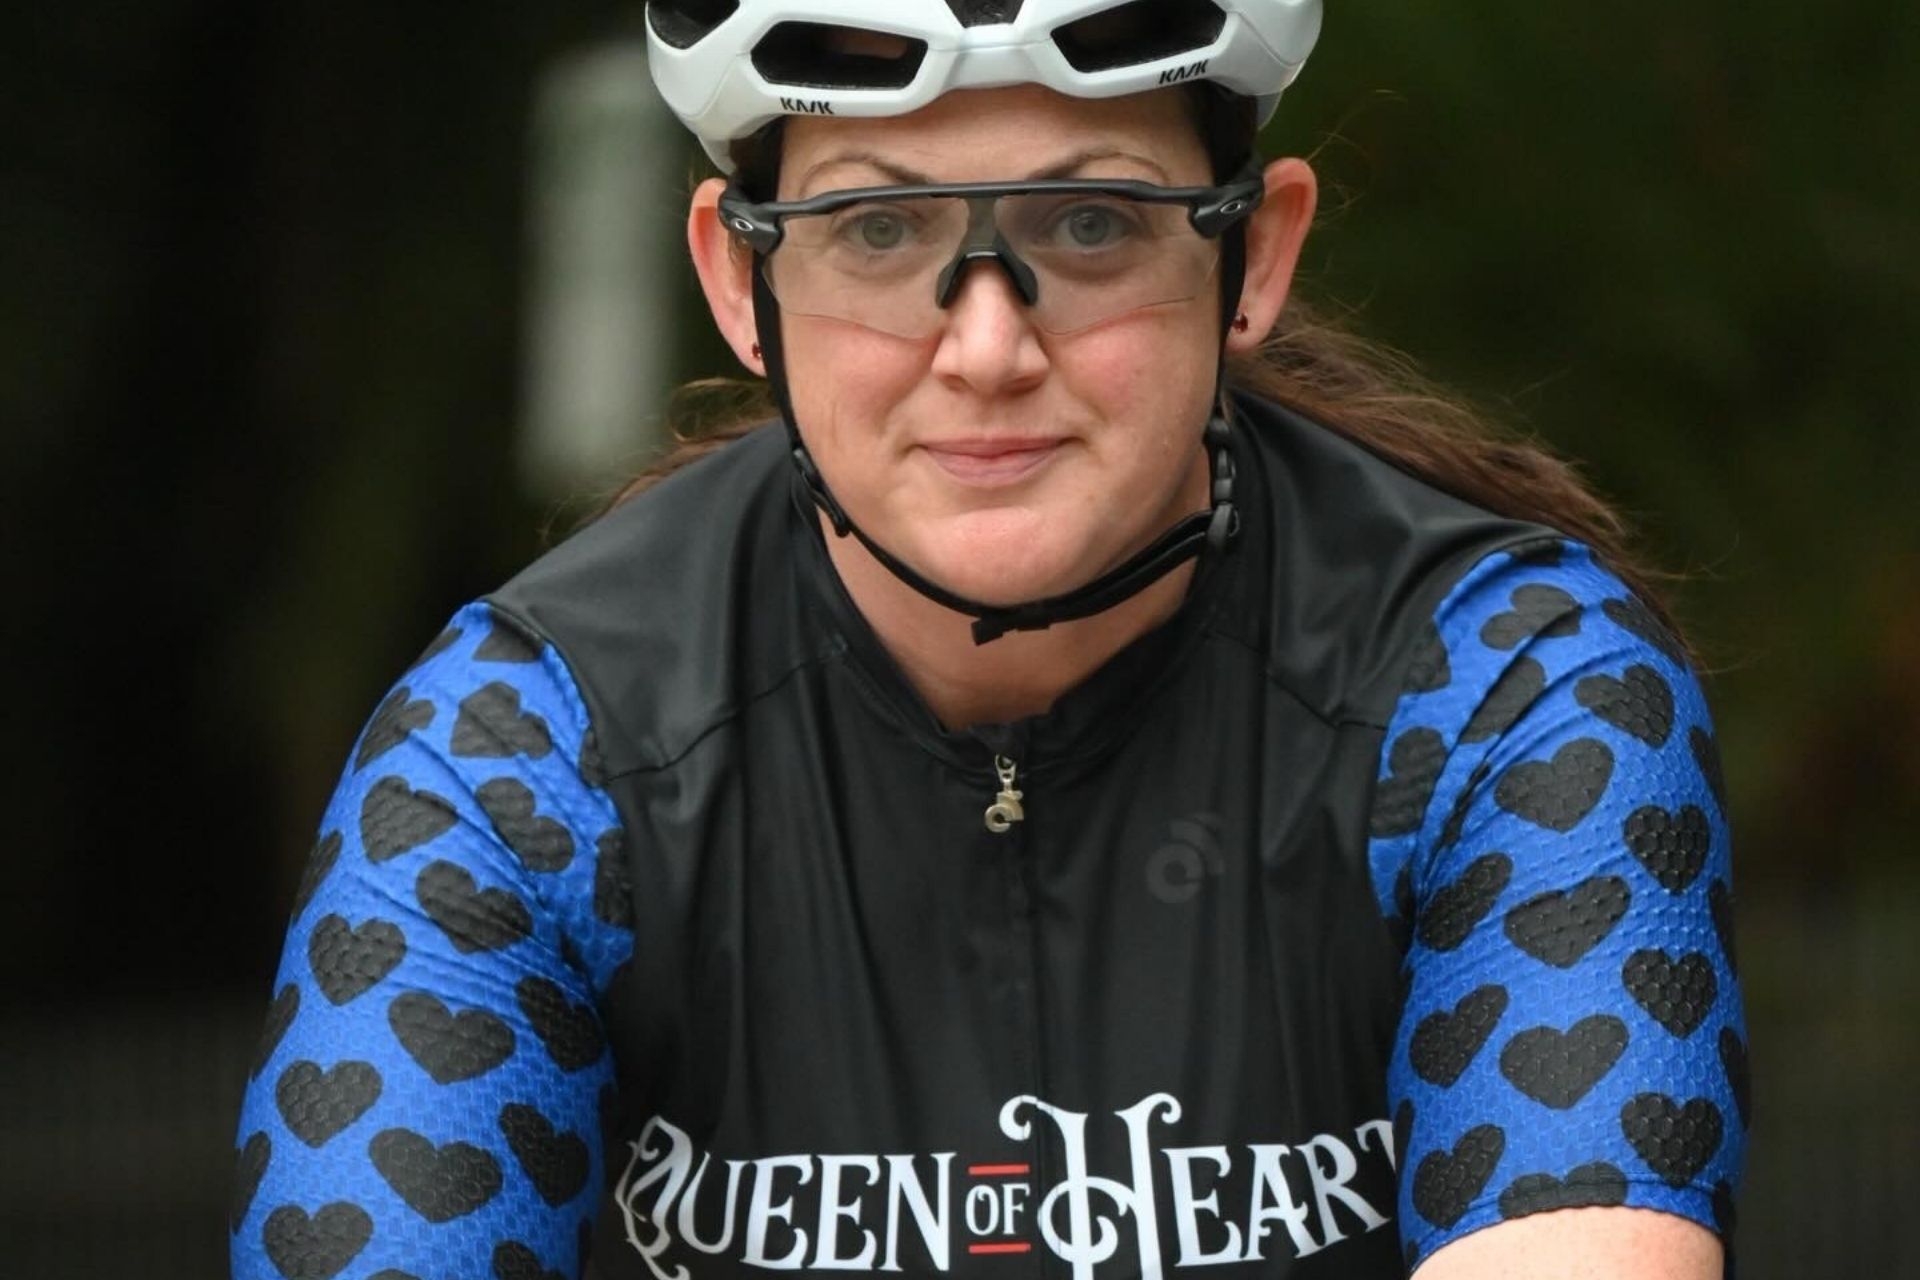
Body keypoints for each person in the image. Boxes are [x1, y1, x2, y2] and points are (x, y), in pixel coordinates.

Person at [231, 3, 1747, 1277]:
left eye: (1092, 222)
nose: (986, 347)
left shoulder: (1510, 685)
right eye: (875, 227)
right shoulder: (517, 758)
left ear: (1254, 258)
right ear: (738, 281)